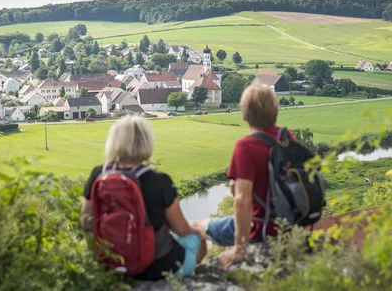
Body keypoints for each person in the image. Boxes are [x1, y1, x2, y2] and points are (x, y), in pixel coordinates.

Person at [81, 116, 206, 280]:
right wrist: (197, 231)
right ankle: (191, 277)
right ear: (146, 143)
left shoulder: (98, 174)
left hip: (111, 261)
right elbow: (181, 229)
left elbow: (86, 222)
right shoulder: (159, 181)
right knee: (197, 237)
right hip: (158, 267)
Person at [192, 84, 290, 270]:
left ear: (244, 114)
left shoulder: (246, 146)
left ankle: (194, 273)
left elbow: (242, 198)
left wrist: (239, 248)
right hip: (287, 224)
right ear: (275, 111)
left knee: (194, 227)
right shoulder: (287, 138)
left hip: (261, 228)